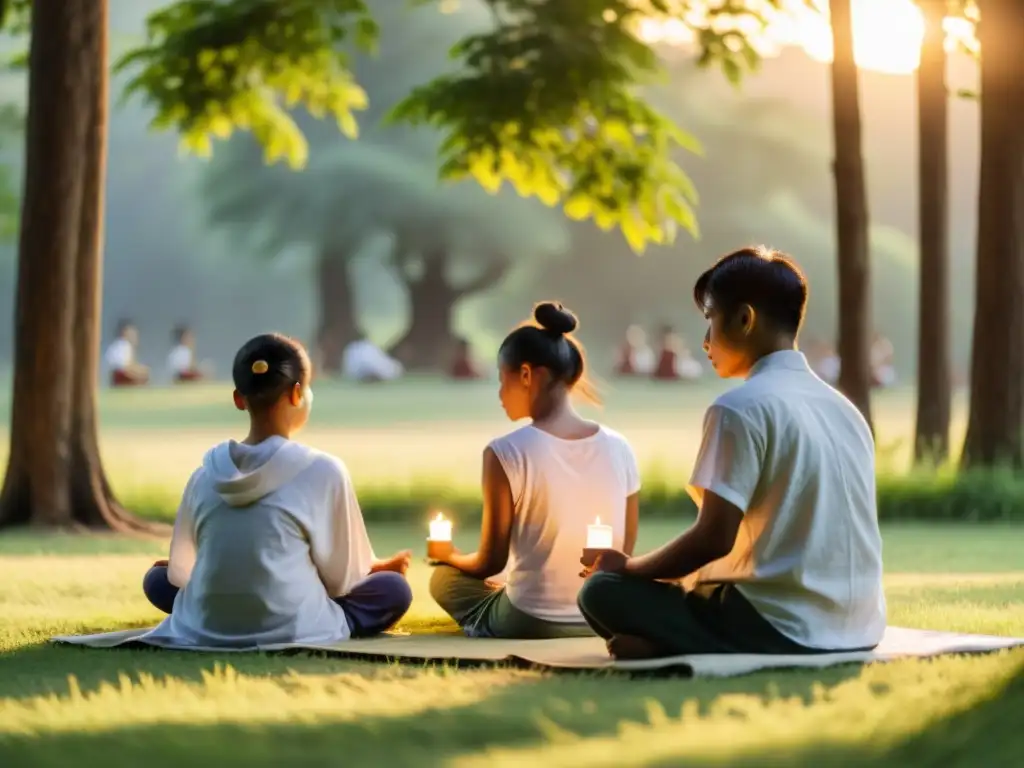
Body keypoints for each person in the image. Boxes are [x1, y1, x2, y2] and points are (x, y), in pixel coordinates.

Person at [577, 247, 885, 659]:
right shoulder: (846, 411)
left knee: (601, 590)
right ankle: (668, 642)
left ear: (744, 319)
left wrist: (627, 567)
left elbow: (713, 539)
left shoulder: (738, 408)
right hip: (859, 626)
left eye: (710, 320)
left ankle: (682, 643)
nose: (704, 341)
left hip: (776, 624)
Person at [140, 333, 413, 648]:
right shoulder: (324, 470)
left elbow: (180, 575)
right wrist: (377, 569)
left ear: (238, 399)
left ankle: (222, 615)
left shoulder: (202, 476)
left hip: (206, 625)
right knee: (393, 589)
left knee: (157, 580)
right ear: (298, 394)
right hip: (294, 626)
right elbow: (340, 582)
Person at [429, 302, 641, 638]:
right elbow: (623, 553)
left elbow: (490, 563)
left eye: (502, 380)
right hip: (600, 614)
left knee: (444, 578)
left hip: (528, 618)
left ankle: (484, 623)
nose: (499, 394)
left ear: (526, 375)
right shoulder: (621, 447)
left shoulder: (505, 451)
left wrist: (449, 554)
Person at [104, 319, 149, 387]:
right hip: (121, 375)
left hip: (117, 375)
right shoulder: (124, 345)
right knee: (144, 374)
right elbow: (125, 367)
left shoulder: (118, 344)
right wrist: (141, 371)